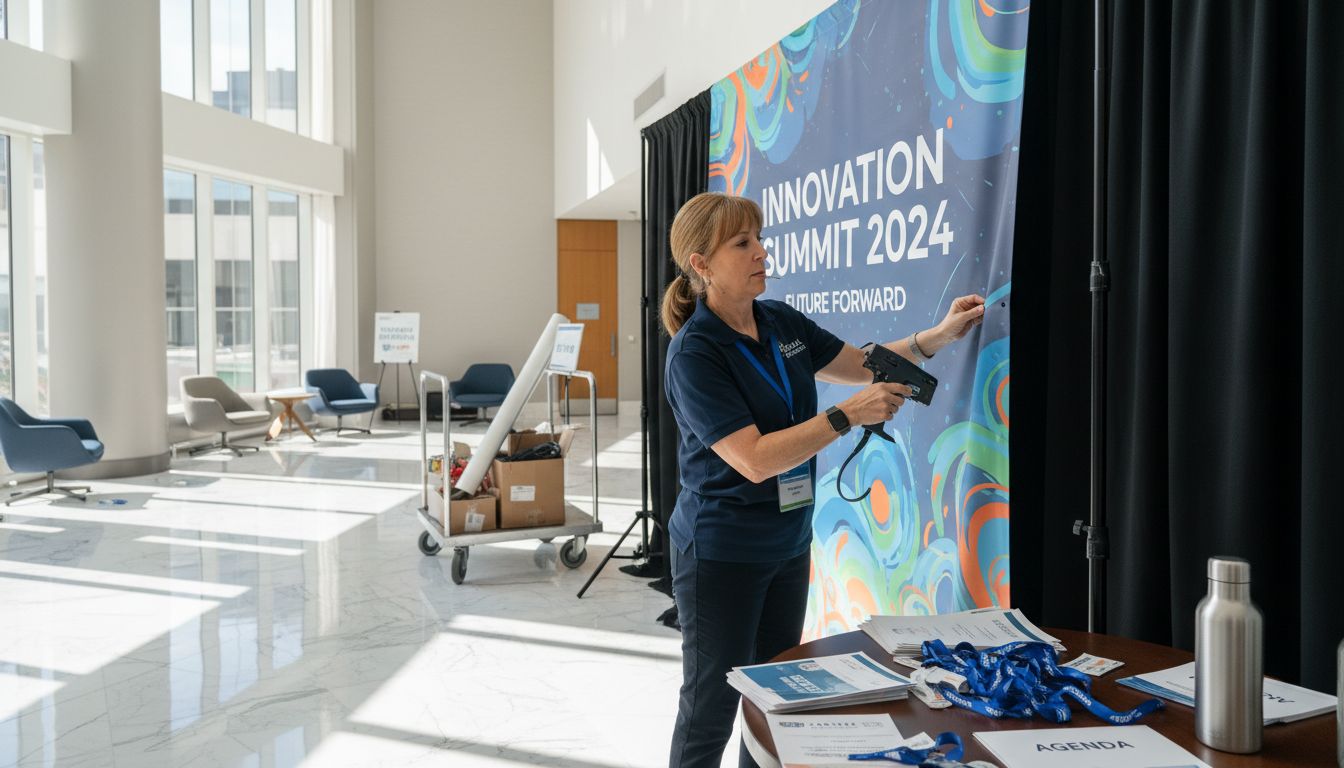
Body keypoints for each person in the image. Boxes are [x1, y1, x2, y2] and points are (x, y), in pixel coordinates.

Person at [661, 192, 985, 767]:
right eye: (743, 243)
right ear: (701, 264)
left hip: (787, 542)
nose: (761, 251)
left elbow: (863, 364)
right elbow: (755, 459)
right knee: (712, 704)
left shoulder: (779, 321)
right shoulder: (694, 353)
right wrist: (846, 415)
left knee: (776, 697)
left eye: (760, 238)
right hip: (722, 551)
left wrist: (939, 335)